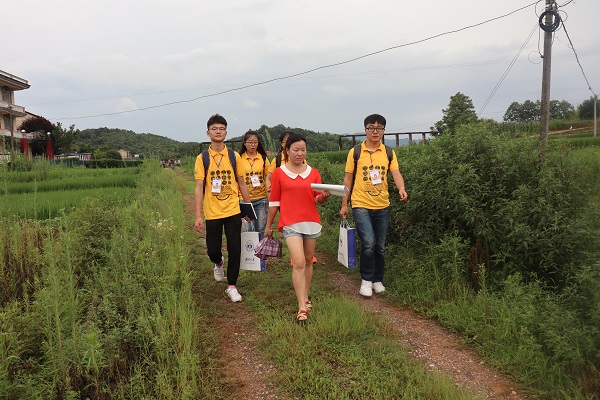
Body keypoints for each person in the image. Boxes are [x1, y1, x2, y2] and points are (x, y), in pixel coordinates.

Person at [339, 114, 408, 297]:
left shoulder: (388, 152)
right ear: (365, 130)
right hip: (360, 203)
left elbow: (396, 173)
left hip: (383, 204)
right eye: (371, 128)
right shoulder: (355, 152)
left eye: (379, 128)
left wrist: (401, 188)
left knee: (380, 245)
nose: (375, 131)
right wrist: (344, 204)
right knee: (369, 242)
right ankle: (366, 280)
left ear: (384, 130)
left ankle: (378, 279)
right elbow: (348, 179)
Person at [265, 132, 330, 323]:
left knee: (309, 260)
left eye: (303, 150)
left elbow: (318, 199)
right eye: (296, 150)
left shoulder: (314, 172)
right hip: (290, 223)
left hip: (311, 221)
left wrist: (324, 196)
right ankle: (301, 306)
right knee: (299, 261)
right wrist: (268, 225)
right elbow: (274, 202)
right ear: (287, 150)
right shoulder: (279, 173)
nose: (300, 153)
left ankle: (306, 296)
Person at [194, 114, 252, 303]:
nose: (218, 132)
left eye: (221, 129)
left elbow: (242, 183)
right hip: (212, 211)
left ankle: (232, 285)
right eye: (214, 129)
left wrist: (248, 208)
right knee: (212, 249)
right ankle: (218, 262)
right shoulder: (202, 158)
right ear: (208, 133)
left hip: (233, 209)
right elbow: (199, 187)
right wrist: (198, 215)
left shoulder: (234, 156)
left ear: (226, 132)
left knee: (235, 248)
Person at [238, 130, 271, 232]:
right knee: (246, 228)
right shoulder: (239, 158)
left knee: (260, 227)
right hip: (243, 199)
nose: (253, 145)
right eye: (250, 142)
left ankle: (259, 243)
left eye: (255, 142)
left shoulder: (263, 158)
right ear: (244, 143)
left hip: (261, 198)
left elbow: (269, 177)